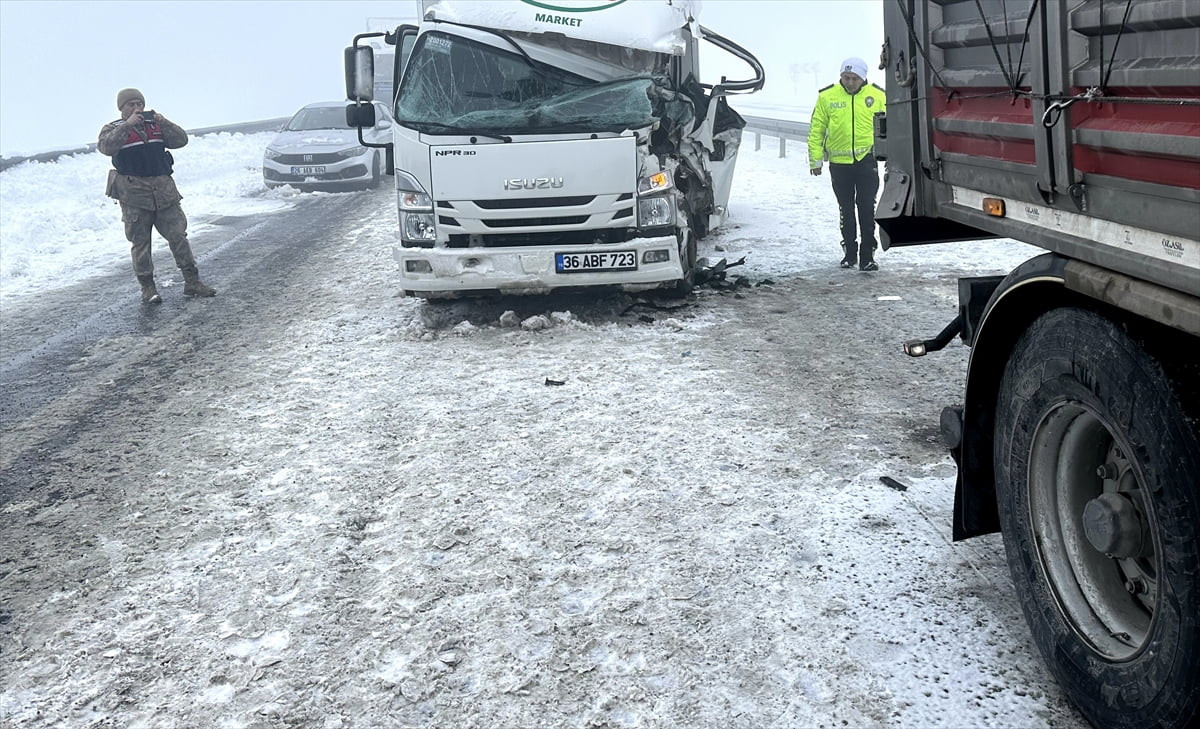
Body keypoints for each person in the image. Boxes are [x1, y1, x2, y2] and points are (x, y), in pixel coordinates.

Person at [99, 88, 216, 303]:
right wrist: (128, 126)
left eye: (139, 104)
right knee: (141, 243)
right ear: (121, 109)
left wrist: (165, 122)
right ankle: (148, 288)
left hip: (163, 191)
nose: (137, 108)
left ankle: (192, 282)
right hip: (134, 195)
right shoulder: (113, 128)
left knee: (178, 236)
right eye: (131, 105)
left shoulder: (155, 126)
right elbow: (106, 147)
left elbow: (181, 140)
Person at [807, 58, 887, 271]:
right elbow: (816, 130)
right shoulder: (827, 97)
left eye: (855, 78)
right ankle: (849, 252)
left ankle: (867, 255)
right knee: (846, 209)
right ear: (841, 76)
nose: (850, 82)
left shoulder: (878, 96)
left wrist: (891, 158)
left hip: (866, 162)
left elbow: (890, 129)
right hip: (839, 165)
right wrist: (815, 161)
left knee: (867, 208)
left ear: (863, 78)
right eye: (846, 77)